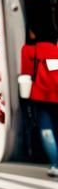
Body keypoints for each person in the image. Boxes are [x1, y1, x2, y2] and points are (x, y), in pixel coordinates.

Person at [20, 21, 58, 178]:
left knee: (46, 130)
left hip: (41, 95)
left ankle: (56, 164)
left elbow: (26, 74)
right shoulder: (56, 49)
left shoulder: (29, 50)